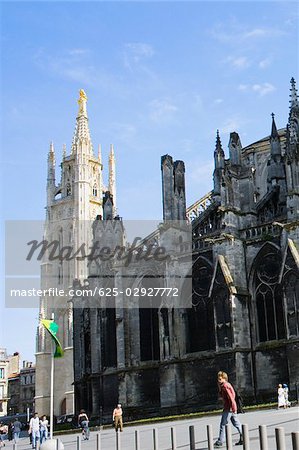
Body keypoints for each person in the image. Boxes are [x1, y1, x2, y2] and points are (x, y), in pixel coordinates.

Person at [214, 371, 243, 447]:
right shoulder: (225, 385)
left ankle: (220, 441)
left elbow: (231, 397)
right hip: (231, 407)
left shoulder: (225, 386)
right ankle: (243, 436)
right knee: (236, 423)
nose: (218, 380)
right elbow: (221, 395)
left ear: (224, 378)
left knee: (223, 424)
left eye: (220, 379)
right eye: (218, 379)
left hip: (228, 408)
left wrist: (233, 407)